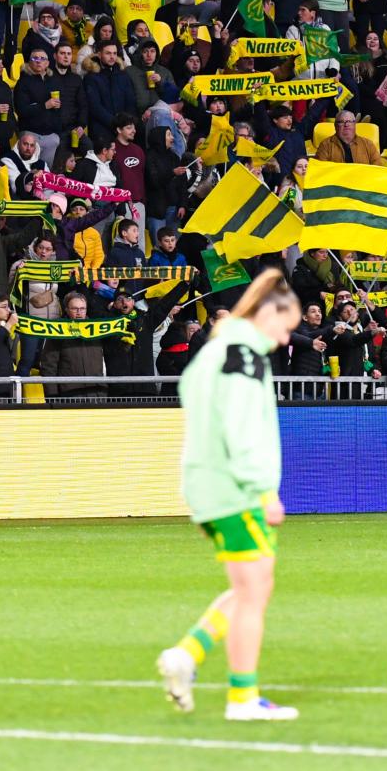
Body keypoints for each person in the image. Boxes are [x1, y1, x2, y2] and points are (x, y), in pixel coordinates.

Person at [155, 269, 299, 723]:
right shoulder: (243, 358)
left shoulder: (216, 351)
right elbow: (240, 429)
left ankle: (187, 654)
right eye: (285, 325)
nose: (285, 337)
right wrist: (261, 489)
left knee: (252, 587)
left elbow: (188, 392)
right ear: (267, 314)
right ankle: (243, 698)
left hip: (207, 484)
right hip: (235, 488)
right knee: (255, 593)